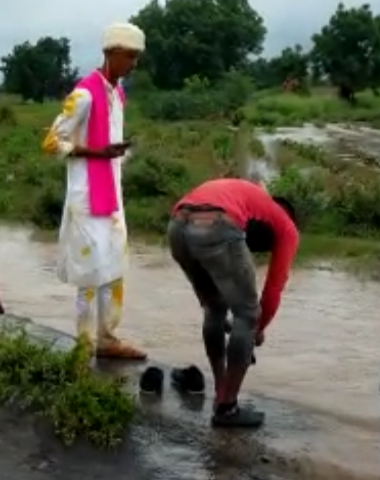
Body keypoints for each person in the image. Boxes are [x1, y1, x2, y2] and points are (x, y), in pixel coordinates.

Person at [41, 22, 146, 360]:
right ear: (110, 53)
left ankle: (108, 338)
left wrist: (113, 151)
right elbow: (52, 141)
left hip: (111, 195)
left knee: (114, 264)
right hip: (86, 199)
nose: (133, 64)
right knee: (89, 273)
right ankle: (84, 344)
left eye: (137, 57)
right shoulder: (84, 94)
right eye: (129, 56)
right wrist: (96, 152)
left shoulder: (117, 93)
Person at [167, 178, 299, 428]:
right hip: (216, 225)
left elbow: (208, 298)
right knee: (247, 315)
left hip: (177, 225)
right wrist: (256, 329)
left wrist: (238, 326)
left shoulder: (249, 198)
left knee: (214, 307)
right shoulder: (286, 227)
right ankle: (227, 407)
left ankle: (220, 391)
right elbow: (272, 291)